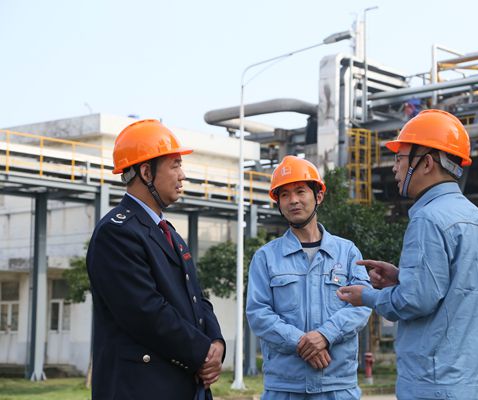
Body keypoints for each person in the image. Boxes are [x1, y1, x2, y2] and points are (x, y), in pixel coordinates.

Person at [336, 109, 478, 400]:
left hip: (433, 384)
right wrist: (403, 277)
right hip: (475, 385)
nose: (395, 168)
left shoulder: (428, 219)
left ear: (426, 163)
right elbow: (457, 291)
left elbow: (415, 301)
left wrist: (368, 296)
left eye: (400, 158)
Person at [86, 119, 225, 400]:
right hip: (141, 388)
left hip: (183, 385)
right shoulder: (117, 232)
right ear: (147, 172)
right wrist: (201, 352)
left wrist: (216, 343)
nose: (182, 175)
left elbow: (197, 298)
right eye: (175, 166)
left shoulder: (167, 232)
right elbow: (146, 312)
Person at [246, 155, 372, 400]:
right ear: (278, 203)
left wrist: (325, 335)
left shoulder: (347, 252)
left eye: (300, 191)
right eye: (284, 194)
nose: (293, 200)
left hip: (337, 386)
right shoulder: (266, 257)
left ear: (319, 196)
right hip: (285, 387)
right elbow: (258, 314)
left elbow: (362, 304)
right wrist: (301, 343)